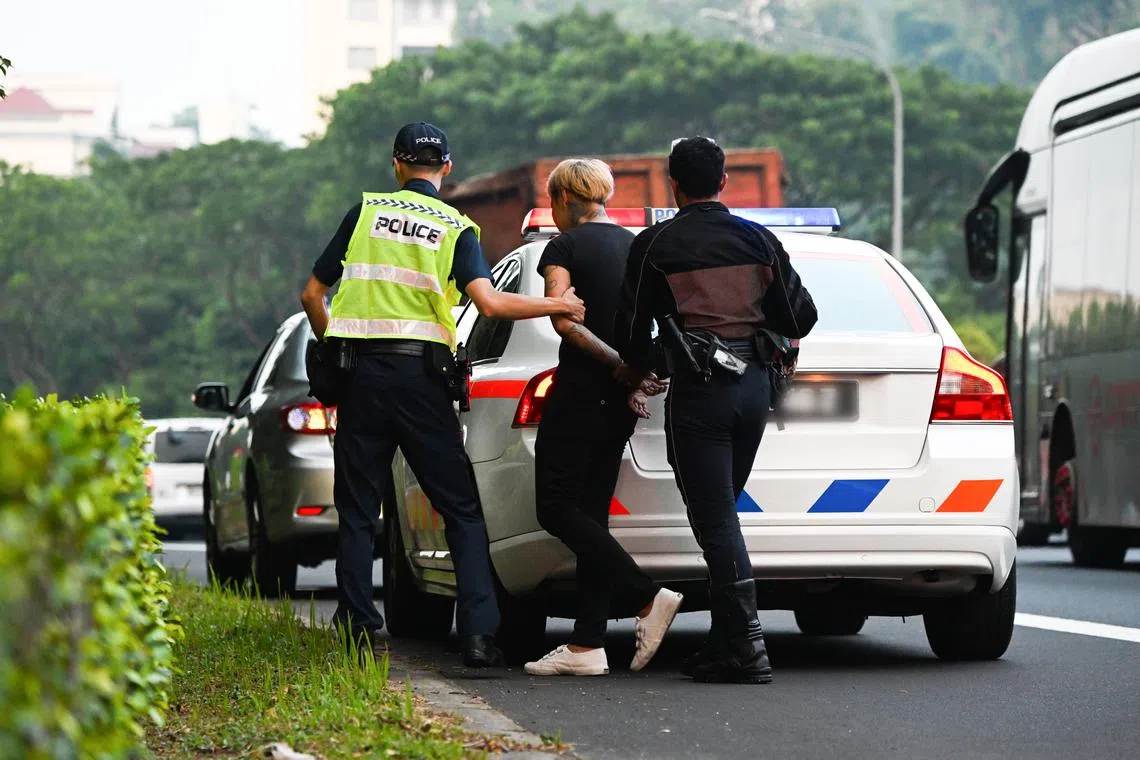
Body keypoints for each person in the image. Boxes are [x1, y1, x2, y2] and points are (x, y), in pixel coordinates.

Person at [300, 122, 586, 668]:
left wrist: (335, 344)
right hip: (421, 384)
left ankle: (358, 628)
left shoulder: (364, 214)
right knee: (460, 508)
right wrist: (559, 307)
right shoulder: (457, 227)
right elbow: (491, 304)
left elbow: (314, 294)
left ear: (396, 164)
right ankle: (479, 635)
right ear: (446, 169)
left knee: (359, 509)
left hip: (361, 379)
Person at [614, 137, 814, 684]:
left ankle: (748, 649)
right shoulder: (759, 239)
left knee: (716, 520)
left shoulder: (656, 245)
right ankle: (725, 643)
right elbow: (802, 316)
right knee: (720, 514)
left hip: (700, 393)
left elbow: (631, 338)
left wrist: (653, 360)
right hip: (754, 390)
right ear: (724, 182)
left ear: (672, 185)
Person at [522, 159, 682, 678]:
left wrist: (616, 366)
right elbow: (660, 324)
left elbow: (563, 318)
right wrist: (637, 375)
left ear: (566, 198)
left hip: (582, 391)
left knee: (555, 508)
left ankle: (645, 597)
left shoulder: (562, 247)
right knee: (591, 514)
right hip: (619, 403)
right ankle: (587, 645)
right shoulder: (639, 245)